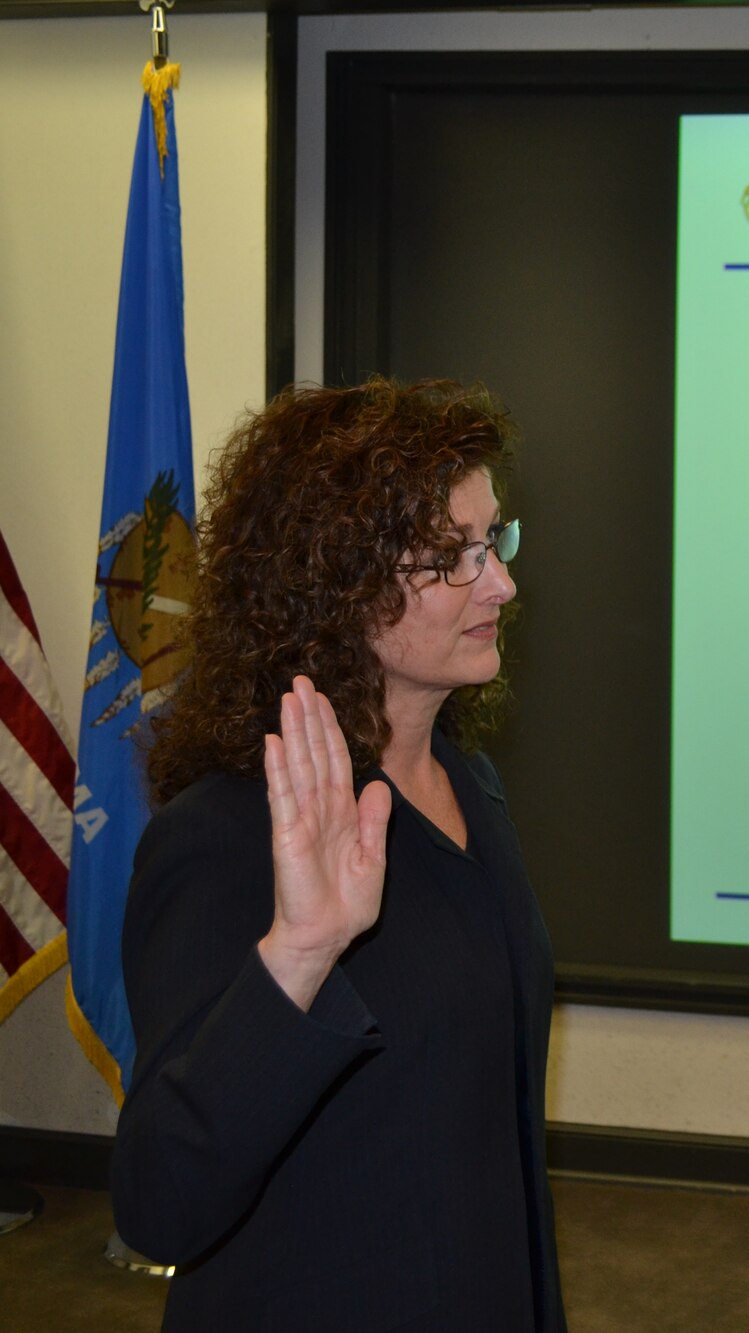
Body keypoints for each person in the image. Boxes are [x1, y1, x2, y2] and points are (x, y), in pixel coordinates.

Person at [111, 379, 566, 1332]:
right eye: (454, 556)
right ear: (336, 580)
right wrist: (303, 950)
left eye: (496, 541)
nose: (501, 583)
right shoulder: (228, 839)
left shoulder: (468, 784)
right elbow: (160, 1200)